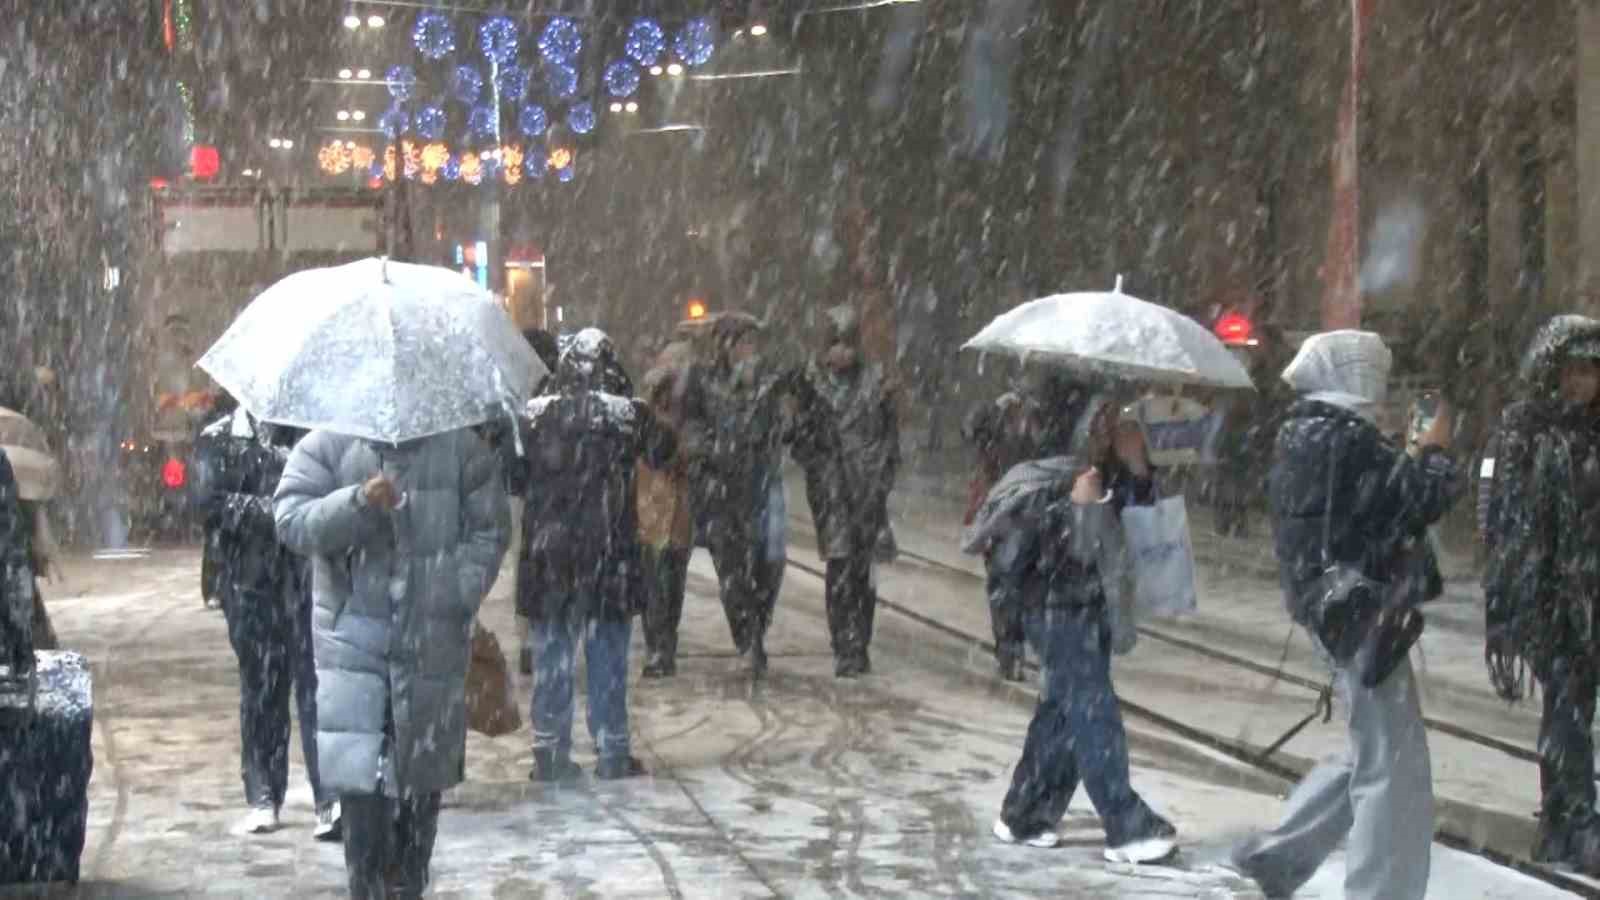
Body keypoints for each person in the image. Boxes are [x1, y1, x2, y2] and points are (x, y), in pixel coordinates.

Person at [1231, 330, 1462, 900]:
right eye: (1377, 372)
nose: (1382, 383)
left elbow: (1370, 507)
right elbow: (1414, 501)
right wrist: (1433, 449)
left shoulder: (1314, 433)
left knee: (1372, 744)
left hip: (1339, 609)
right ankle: (1380, 891)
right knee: (1394, 768)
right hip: (1362, 614)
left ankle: (1280, 856)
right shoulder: (1342, 439)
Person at [274, 425, 508, 899]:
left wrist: (451, 588)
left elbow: (491, 528)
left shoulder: (459, 448)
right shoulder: (327, 444)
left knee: (416, 835)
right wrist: (357, 503)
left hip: (429, 651)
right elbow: (291, 519)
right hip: (353, 656)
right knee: (364, 829)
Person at [967, 393, 1178, 862]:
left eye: (1112, 418)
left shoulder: (1103, 466)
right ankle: (1125, 824)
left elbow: (1141, 521)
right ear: (1076, 422)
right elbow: (1066, 554)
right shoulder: (1040, 474)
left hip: (1091, 608)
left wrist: (1137, 466)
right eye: (1101, 419)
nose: (1108, 428)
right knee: (1092, 710)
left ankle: (1025, 812)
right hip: (1056, 609)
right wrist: (1081, 506)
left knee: (1062, 713)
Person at [519, 329, 673, 780]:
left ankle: (549, 751)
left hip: (550, 554)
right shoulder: (628, 416)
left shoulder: (533, 416)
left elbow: (512, 476)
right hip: (609, 553)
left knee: (553, 655)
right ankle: (612, 749)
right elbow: (665, 451)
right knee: (607, 652)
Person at [1483, 314, 1600, 871]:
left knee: (1573, 706)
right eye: (1573, 371)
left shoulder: (1592, 432)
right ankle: (1579, 822)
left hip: (1590, 595)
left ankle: (1560, 825)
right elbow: (1506, 521)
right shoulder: (1526, 430)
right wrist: (1505, 605)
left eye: (1591, 372)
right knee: (1569, 708)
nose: (1582, 383)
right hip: (1545, 593)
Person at [208, 411, 337, 838]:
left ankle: (329, 797)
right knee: (261, 690)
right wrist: (270, 512)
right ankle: (263, 794)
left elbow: (325, 499)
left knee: (315, 690)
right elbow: (206, 502)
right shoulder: (222, 436)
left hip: (306, 581)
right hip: (249, 584)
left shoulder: (313, 433)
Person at [681, 313, 790, 678]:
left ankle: (759, 625)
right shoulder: (702, 380)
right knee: (732, 572)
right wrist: (711, 455)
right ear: (725, 346)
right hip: (721, 490)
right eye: (742, 343)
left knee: (768, 567)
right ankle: (748, 640)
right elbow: (691, 428)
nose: (749, 351)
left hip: (761, 486)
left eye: (752, 343)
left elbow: (785, 424)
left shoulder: (769, 383)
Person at [795, 305, 898, 677]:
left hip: (868, 489)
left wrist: (882, 478)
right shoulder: (811, 384)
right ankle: (844, 644)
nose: (842, 352)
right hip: (832, 488)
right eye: (835, 344)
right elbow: (799, 440)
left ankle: (861, 642)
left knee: (863, 572)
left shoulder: (876, 383)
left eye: (848, 343)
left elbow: (890, 439)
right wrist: (820, 457)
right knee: (840, 567)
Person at [638, 339, 695, 679]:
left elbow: (694, 452)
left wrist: (684, 454)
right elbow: (648, 453)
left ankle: (665, 644)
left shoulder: (690, 416)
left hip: (675, 515)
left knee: (671, 584)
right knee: (655, 583)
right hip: (651, 512)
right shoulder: (646, 415)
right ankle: (657, 647)